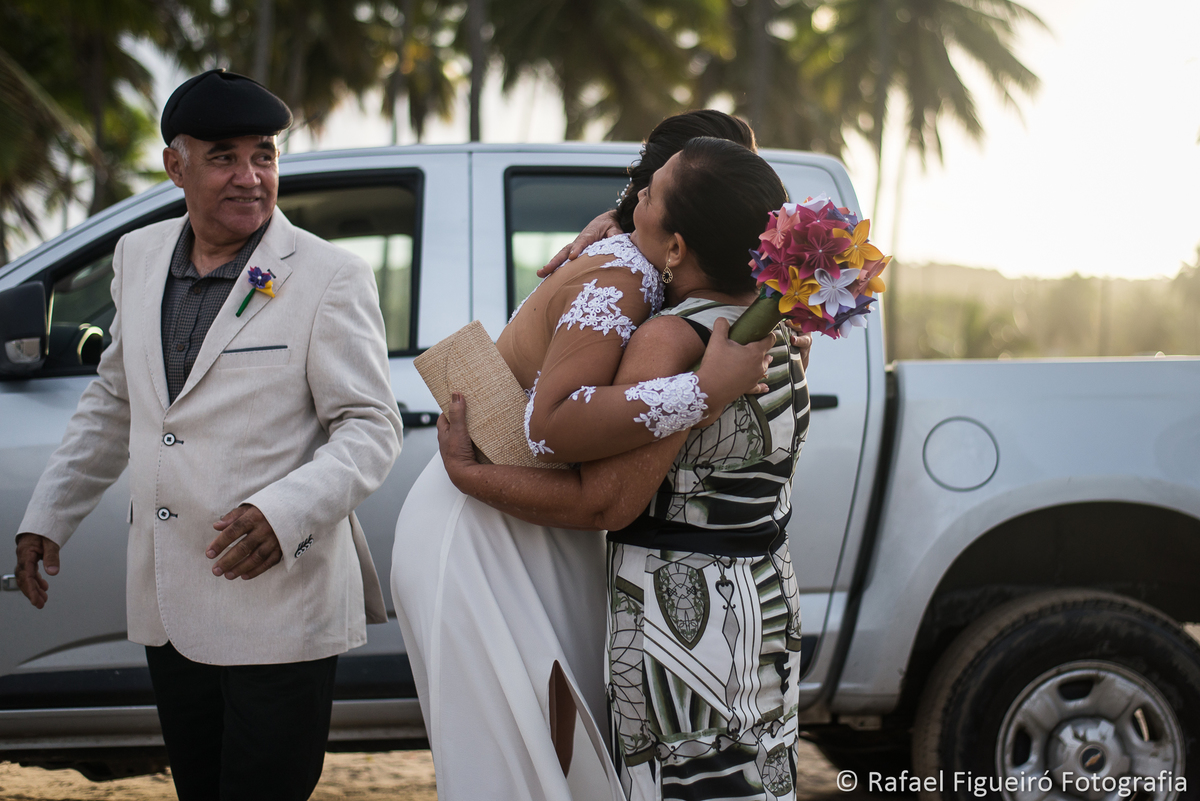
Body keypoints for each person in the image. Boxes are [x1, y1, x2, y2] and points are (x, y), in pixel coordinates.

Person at [12, 69, 402, 801]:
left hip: (280, 596)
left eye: (265, 154)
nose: (251, 177)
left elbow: (370, 426)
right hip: (169, 601)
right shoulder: (139, 256)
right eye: (224, 156)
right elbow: (116, 399)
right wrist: (48, 515)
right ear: (175, 164)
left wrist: (283, 513)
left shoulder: (329, 275)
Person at [390, 116, 784, 801]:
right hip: (485, 519)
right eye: (646, 188)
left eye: (647, 192)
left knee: (565, 759)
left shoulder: (685, 287)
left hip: (546, 519)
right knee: (514, 757)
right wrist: (702, 390)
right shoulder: (622, 282)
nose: (632, 201)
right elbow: (549, 425)